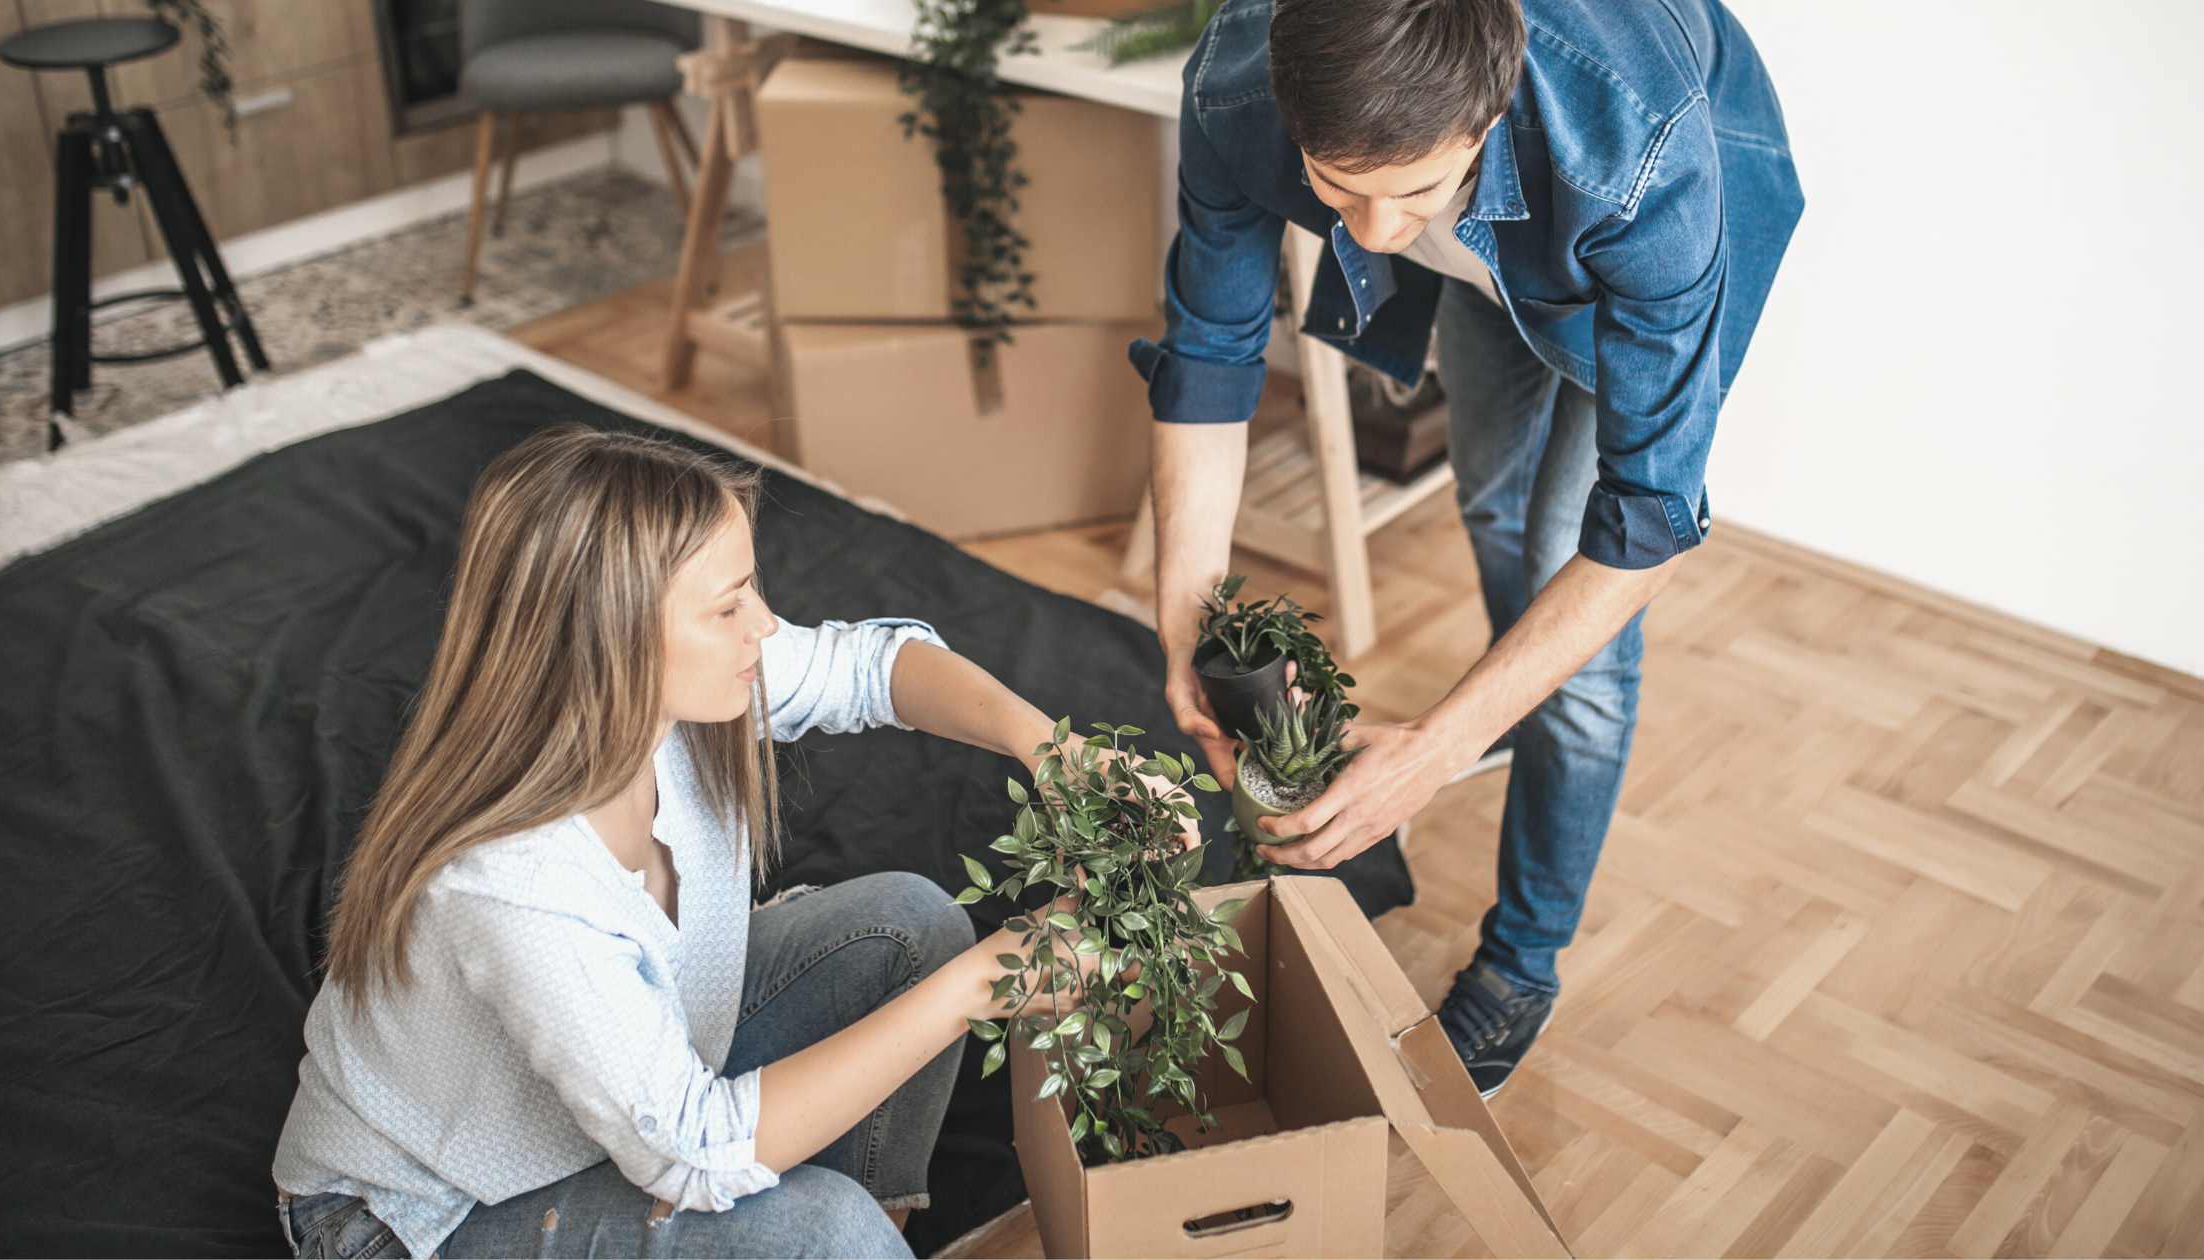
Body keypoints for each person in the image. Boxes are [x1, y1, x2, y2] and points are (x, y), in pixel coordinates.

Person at [272, 425, 1177, 1259]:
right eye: (728, 606)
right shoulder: (513, 883)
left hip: (629, 1095)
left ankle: (877, 1243)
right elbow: (695, 1156)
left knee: (910, 925)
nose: (767, 628)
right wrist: (993, 980)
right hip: (421, 1216)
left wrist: (1057, 753)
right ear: (613, 636)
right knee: (823, 1227)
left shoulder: (669, 693)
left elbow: (872, 666)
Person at [1137, 0, 1801, 1096]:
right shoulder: (1235, 81)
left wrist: (1440, 743)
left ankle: (1524, 960)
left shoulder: (1638, 151)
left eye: (1412, 192)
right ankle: (1520, 698)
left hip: (1619, 208)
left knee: (1566, 573)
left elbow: (1645, 522)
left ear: (1486, 116)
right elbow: (1207, 357)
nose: (1375, 237)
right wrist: (1181, 623)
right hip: (1497, 240)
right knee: (1494, 504)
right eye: (1335, 189)